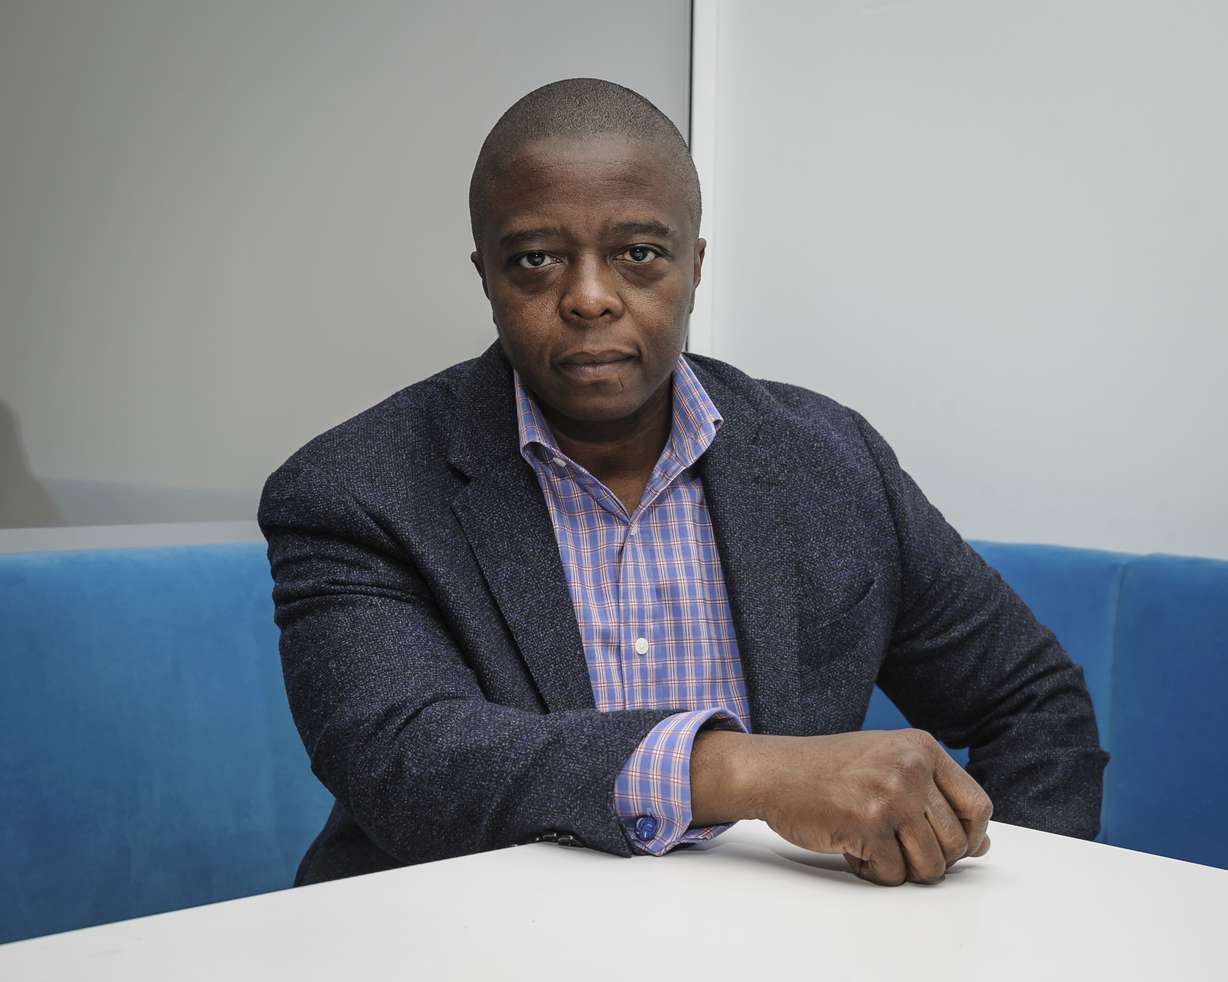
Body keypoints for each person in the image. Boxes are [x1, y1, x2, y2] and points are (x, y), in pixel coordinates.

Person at [258, 78, 1108, 888]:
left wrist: (995, 911)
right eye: (537, 260)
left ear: (693, 264)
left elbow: (1032, 703)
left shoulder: (830, 460)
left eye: (637, 253)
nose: (590, 297)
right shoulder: (357, 490)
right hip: (467, 945)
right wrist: (749, 771)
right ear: (485, 272)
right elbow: (410, 759)